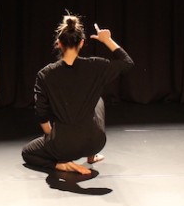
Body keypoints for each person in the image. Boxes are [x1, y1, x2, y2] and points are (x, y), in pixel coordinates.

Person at [22, 15, 134, 175]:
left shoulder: (45, 74)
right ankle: (91, 156)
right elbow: (127, 63)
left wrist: (53, 140)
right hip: (94, 142)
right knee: (98, 101)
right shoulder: (96, 66)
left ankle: (60, 165)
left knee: (27, 152)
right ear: (82, 43)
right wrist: (106, 40)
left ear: (59, 43)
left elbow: (41, 114)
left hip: (61, 147)